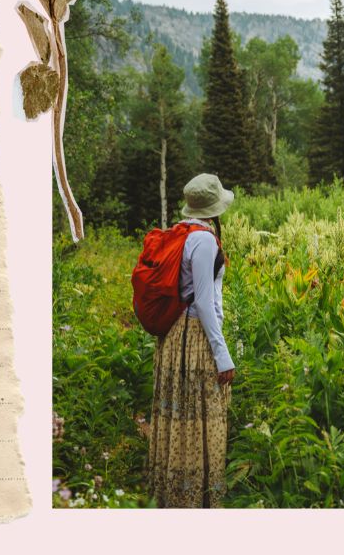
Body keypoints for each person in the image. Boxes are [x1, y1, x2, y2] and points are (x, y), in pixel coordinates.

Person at [147, 173, 236, 508]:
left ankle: (172, 490)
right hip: (194, 338)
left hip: (175, 336)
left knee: (179, 413)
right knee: (198, 413)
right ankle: (192, 499)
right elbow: (203, 300)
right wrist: (223, 354)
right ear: (213, 208)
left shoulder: (181, 234)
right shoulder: (204, 241)